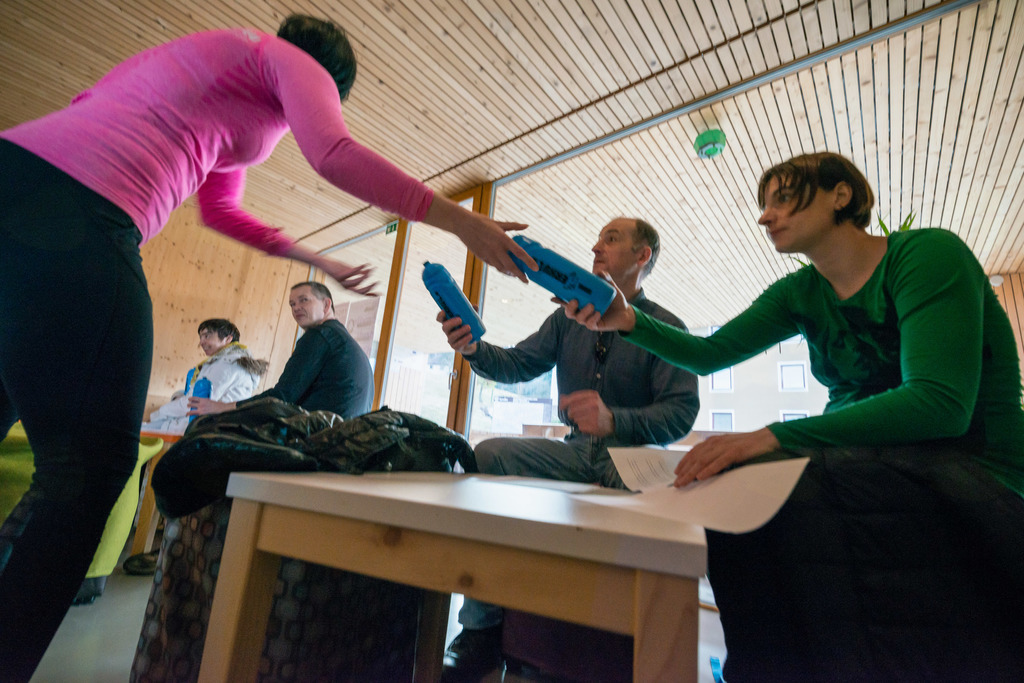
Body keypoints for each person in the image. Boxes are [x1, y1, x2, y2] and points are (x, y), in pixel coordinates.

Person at [0, 14, 536, 680]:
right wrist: (460, 222)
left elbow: (220, 210)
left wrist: (322, 262)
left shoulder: (215, 74)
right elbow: (332, 151)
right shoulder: (284, 56)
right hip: (81, 207)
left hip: (21, 178)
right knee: (91, 471)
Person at [563, 152, 1024, 679]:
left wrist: (771, 437)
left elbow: (939, 404)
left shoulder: (926, 256)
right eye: (764, 205)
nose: (766, 216)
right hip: (860, 462)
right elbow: (710, 354)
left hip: (970, 467)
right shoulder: (800, 293)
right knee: (732, 489)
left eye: (782, 199)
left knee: (776, 491)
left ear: (840, 195)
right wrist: (627, 319)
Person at [437, 218, 700, 678]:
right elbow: (518, 364)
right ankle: (481, 630)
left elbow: (681, 413)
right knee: (490, 454)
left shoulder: (667, 327)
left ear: (642, 257)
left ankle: (651, 643)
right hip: (575, 453)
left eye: (611, 239)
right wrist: (473, 349)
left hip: (633, 459)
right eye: (597, 238)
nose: (595, 246)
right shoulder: (566, 319)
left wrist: (615, 420)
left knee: (676, 502)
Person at [190, 282, 373, 419]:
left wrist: (221, 407)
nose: (296, 308)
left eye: (304, 300)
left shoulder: (320, 335)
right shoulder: (342, 340)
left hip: (319, 438)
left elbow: (282, 396)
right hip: (342, 436)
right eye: (292, 304)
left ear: (326, 305)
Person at [142, 318, 268, 434]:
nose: (201, 342)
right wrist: (178, 396)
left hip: (208, 427)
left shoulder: (227, 364)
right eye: (201, 337)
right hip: (213, 425)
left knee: (143, 431)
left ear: (228, 339)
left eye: (207, 336)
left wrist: (158, 414)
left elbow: (196, 403)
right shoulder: (228, 361)